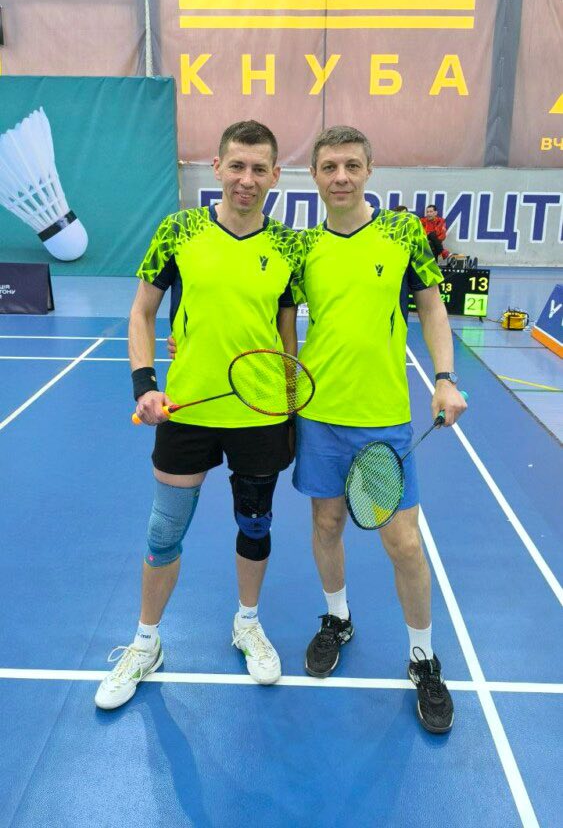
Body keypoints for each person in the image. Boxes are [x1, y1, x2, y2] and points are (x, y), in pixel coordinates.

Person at [95, 120, 302, 709]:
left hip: (259, 414)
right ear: (216, 168)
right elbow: (142, 312)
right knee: (164, 531)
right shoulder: (178, 231)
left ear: (275, 175)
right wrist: (144, 385)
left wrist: (290, 407)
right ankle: (145, 642)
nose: (246, 179)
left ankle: (247, 623)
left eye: (259, 168)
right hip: (186, 410)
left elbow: (287, 334)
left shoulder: (287, 246)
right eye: (236, 165)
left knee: (255, 525)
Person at [292, 126, 466, 734]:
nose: (340, 176)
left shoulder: (402, 234)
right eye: (329, 166)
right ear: (314, 176)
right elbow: (274, 317)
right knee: (326, 524)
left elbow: (432, 305)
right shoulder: (302, 247)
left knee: (404, 544)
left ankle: (422, 657)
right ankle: (337, 619)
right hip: (319, 416)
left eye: (351, 165)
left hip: (385, 417)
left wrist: (444, 378)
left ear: (369, 170)